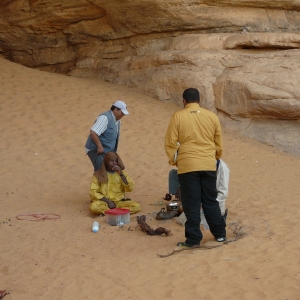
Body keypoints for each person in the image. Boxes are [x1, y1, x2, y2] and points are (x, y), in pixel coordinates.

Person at [164, 87, 226, 250]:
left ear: (184, 101)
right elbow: (218, 142)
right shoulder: (212, 116)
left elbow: (170, 142)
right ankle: (220, 234)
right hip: (208, 164)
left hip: (188, 166)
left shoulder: (178, 116)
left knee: (191, 204)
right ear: (199, 101)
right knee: (210, 200)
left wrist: (175, 160)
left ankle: (193, 239)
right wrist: (215, 156)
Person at [163, 159, 230, 225]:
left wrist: (209, 205)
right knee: (182, 220)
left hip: (213, 204)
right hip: (200, 201)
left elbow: (223, 194)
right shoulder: (200, 163)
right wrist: (182, 187)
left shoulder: (221, 167)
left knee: (190, 221)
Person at [85, 100, 129, 172]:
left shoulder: (117, 121)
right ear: (115, 109)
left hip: (107, 151)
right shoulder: (104, 118)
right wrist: (99, 146)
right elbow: (93, 132)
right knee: (101, 172)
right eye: (122, 113)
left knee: (111, 171)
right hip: (96, 150)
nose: (123, 115)